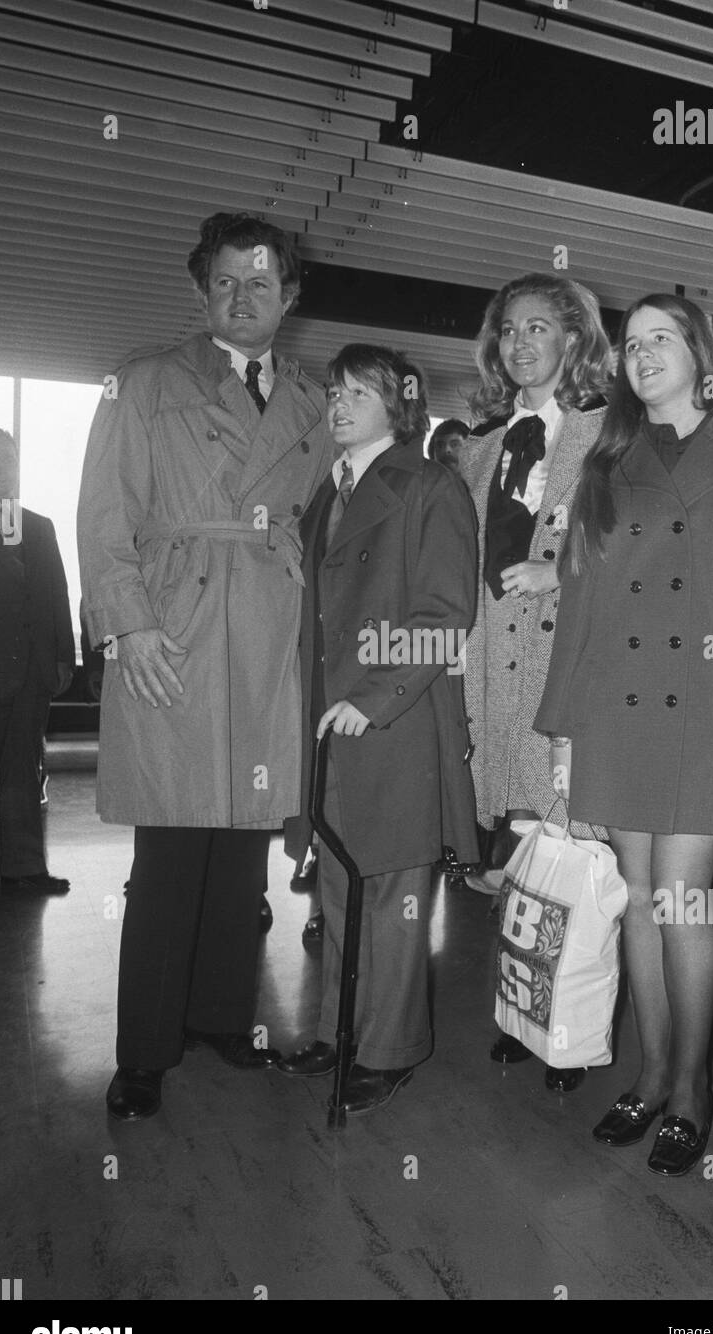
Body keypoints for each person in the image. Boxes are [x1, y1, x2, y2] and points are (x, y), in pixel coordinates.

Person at [535, 293, 713, 1175]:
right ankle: (651, 1072)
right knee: (637, 896)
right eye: (632, 343)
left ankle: (695, 1087)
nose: (644, 352)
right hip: (619, 707)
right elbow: (580, 604)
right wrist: (564, 729)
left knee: (683, 901)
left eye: (663, 337)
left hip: (712, 709)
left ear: (699, 352)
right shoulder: (606, 463)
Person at [78, 212, 333, 1121]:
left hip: (268, 630)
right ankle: (144, 1050)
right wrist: (129, 630)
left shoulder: (311, 402)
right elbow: (103, 517)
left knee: (243, 847)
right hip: (175, 631)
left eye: (260, 284)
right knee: (173, 845)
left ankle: (227, 1019)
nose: (241, 297)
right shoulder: (143, 383)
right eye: (225, 282)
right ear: (202, 289)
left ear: (289, 298)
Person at [280, 345, 478, 1116]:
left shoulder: (430, 485)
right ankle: (338, 1031)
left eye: (358, 392)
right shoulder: (325, 493)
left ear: (397, 403)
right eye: (333, 391)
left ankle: (388, 1050)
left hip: (392, 719)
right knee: (337, 884)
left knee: (394, 892)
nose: (339, 404)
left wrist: (374, 694)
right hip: (330, 722)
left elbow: (445, 615)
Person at [459, 273, 612, 1092]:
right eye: (510, 329)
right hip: (494, 666)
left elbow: (641, 542)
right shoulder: (480, 445)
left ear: (574, 342)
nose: (522, 342)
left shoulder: (609, 433)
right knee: (519, 849)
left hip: (567, 662)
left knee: (575, 839)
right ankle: (523, 1010)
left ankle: (575, 1030)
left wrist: (563, 571)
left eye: (541, 328)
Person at [0, 428, 75, 906]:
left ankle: (24, 870)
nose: (2, 468)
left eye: (10, 460)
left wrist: (63, 657)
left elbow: (57, 596)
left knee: (23, 772)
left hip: (31, 678)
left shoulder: (39, 527)